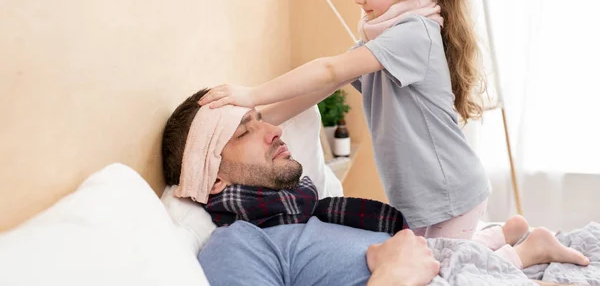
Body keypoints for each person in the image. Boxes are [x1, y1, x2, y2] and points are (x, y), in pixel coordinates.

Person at [197, 0, 491, 241]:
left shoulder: (414, 35)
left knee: (446, 269)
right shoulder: (384, 39)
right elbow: (327, 84)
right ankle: (501, 239)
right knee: (429, 262)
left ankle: (523, 249)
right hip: (426, 194)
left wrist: (253, 94)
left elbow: (329, 69)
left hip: (450, 191)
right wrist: (256, 120)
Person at [161, 89, 589, 286]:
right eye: (243, 132)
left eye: (261, 118)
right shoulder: (237, 246)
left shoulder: (315, 212)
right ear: (212, 178)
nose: (272, 130)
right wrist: (393, 276)